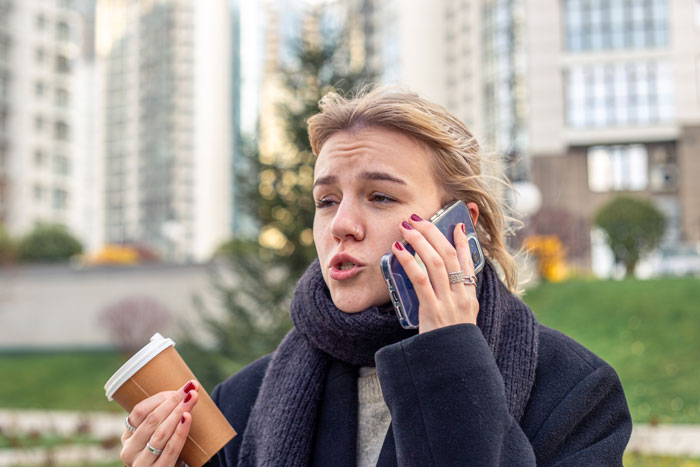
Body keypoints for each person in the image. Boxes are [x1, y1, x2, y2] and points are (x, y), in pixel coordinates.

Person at [119, 86, 632, 466]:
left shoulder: (575, 392)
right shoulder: (243, 401)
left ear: (459, 226)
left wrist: (452, 355)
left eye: (380, 196)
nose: (341, 225)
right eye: (326, 200)